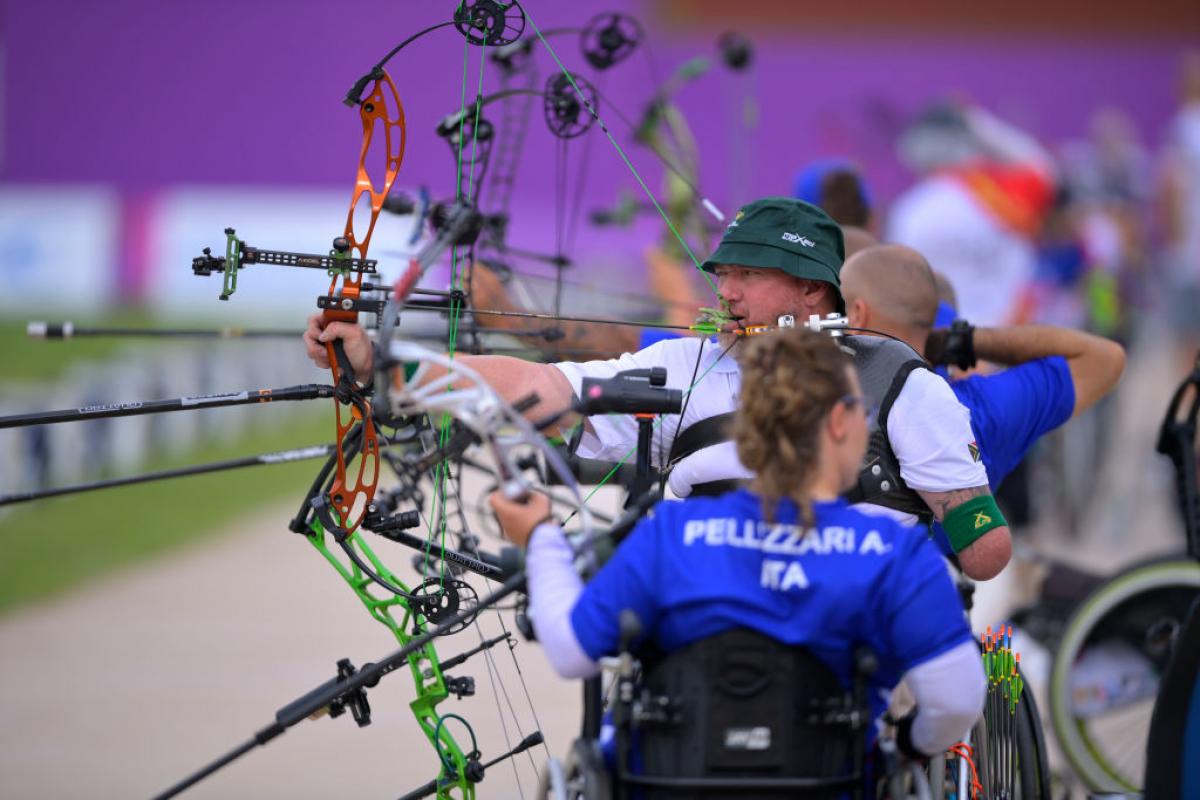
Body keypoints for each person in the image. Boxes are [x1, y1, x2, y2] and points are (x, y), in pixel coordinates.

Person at [305, 197, 1012, 580]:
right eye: (721, 273)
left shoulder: (902, 385)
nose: (725, 292)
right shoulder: (687, 364)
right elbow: (537, 385)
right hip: (702, 614)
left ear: (810, 289)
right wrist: (383, 367)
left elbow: (982, 552)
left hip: (859, 625)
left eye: (748, 276)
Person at [488, 329, 986, 770]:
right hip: (831, 778)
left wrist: (541, 538)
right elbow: (956, 700)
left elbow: (571, 652)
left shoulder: (669, 534)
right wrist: (910, 748)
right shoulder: (894, 555)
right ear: (839, 423)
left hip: (670, 779)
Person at [839, 243, 1126, 494]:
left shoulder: (825, 405)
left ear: (858, 314)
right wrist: (963, 342)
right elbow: (1105, 358)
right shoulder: (979, 409)